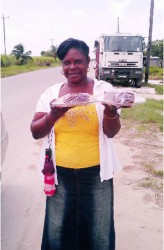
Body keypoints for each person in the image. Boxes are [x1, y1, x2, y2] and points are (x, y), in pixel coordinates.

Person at [30, 38, 122, 250]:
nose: (72, 67)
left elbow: (111, 132)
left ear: (88, 62)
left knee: (100, 229)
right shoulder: (52, 94)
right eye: (66, 62)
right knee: (58, 228)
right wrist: (53, 115)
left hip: (97, 173)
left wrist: (111, 112)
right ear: (61, 66)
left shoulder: (103, 90)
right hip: (59, 174)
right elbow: (35, 131)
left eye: (78, 61)